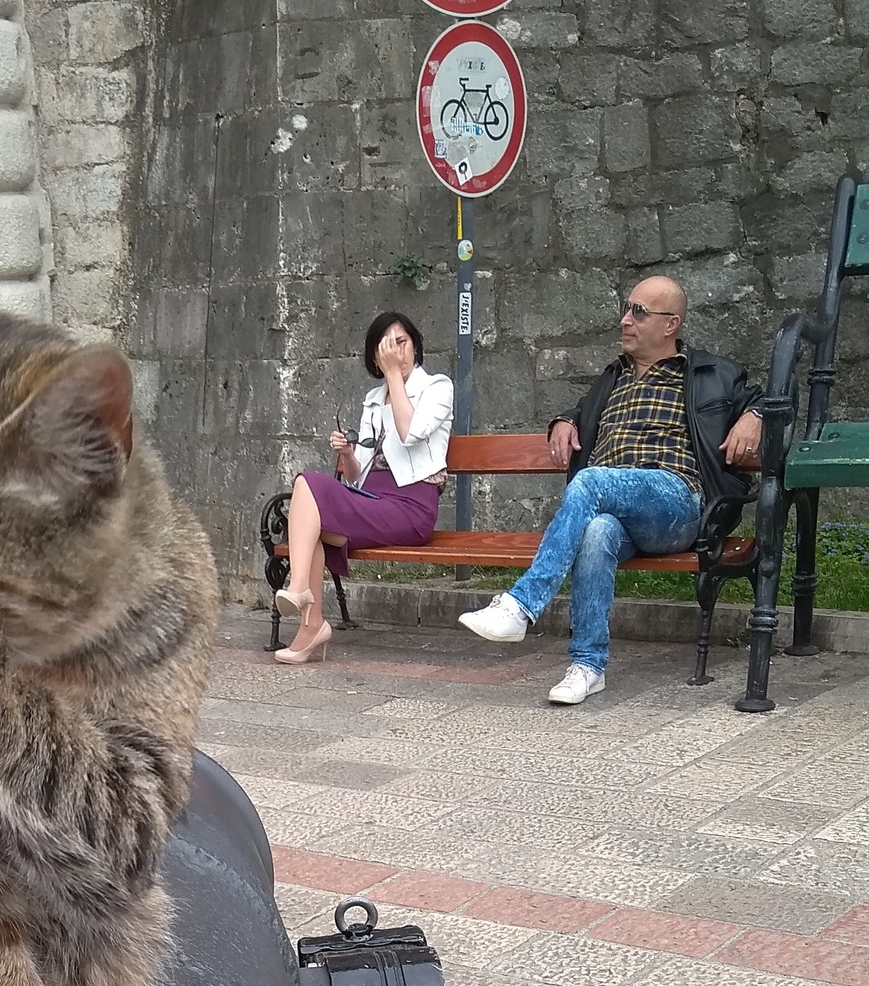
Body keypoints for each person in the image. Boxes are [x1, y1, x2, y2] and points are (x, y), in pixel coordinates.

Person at [460, 276, 762, 704]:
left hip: (677, 501)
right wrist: (564, 420)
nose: (626, 320)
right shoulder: (612, 378)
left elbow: (774, 400)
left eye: (639, 312)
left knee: (591, 481)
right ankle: (587, 665)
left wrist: (756, 414)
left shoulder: (712, 373)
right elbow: (580, 411)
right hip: (615, 507)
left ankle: (520, 605)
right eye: (626, 309)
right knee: (598, 531)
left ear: (671, 323)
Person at [273, 311, 454, 664]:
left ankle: (298, 590)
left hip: (411, 508)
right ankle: (312, 627)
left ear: (415, 346)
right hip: (371, 501)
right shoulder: (373, 399)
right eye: (386, 347)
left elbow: (410, 432)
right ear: (374, 356)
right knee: (312, 508)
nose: (396, 352)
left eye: (401, 343)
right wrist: (348, 454)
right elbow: (357, 478)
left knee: (308, 484)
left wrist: (393, 378)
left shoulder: (437, 387)